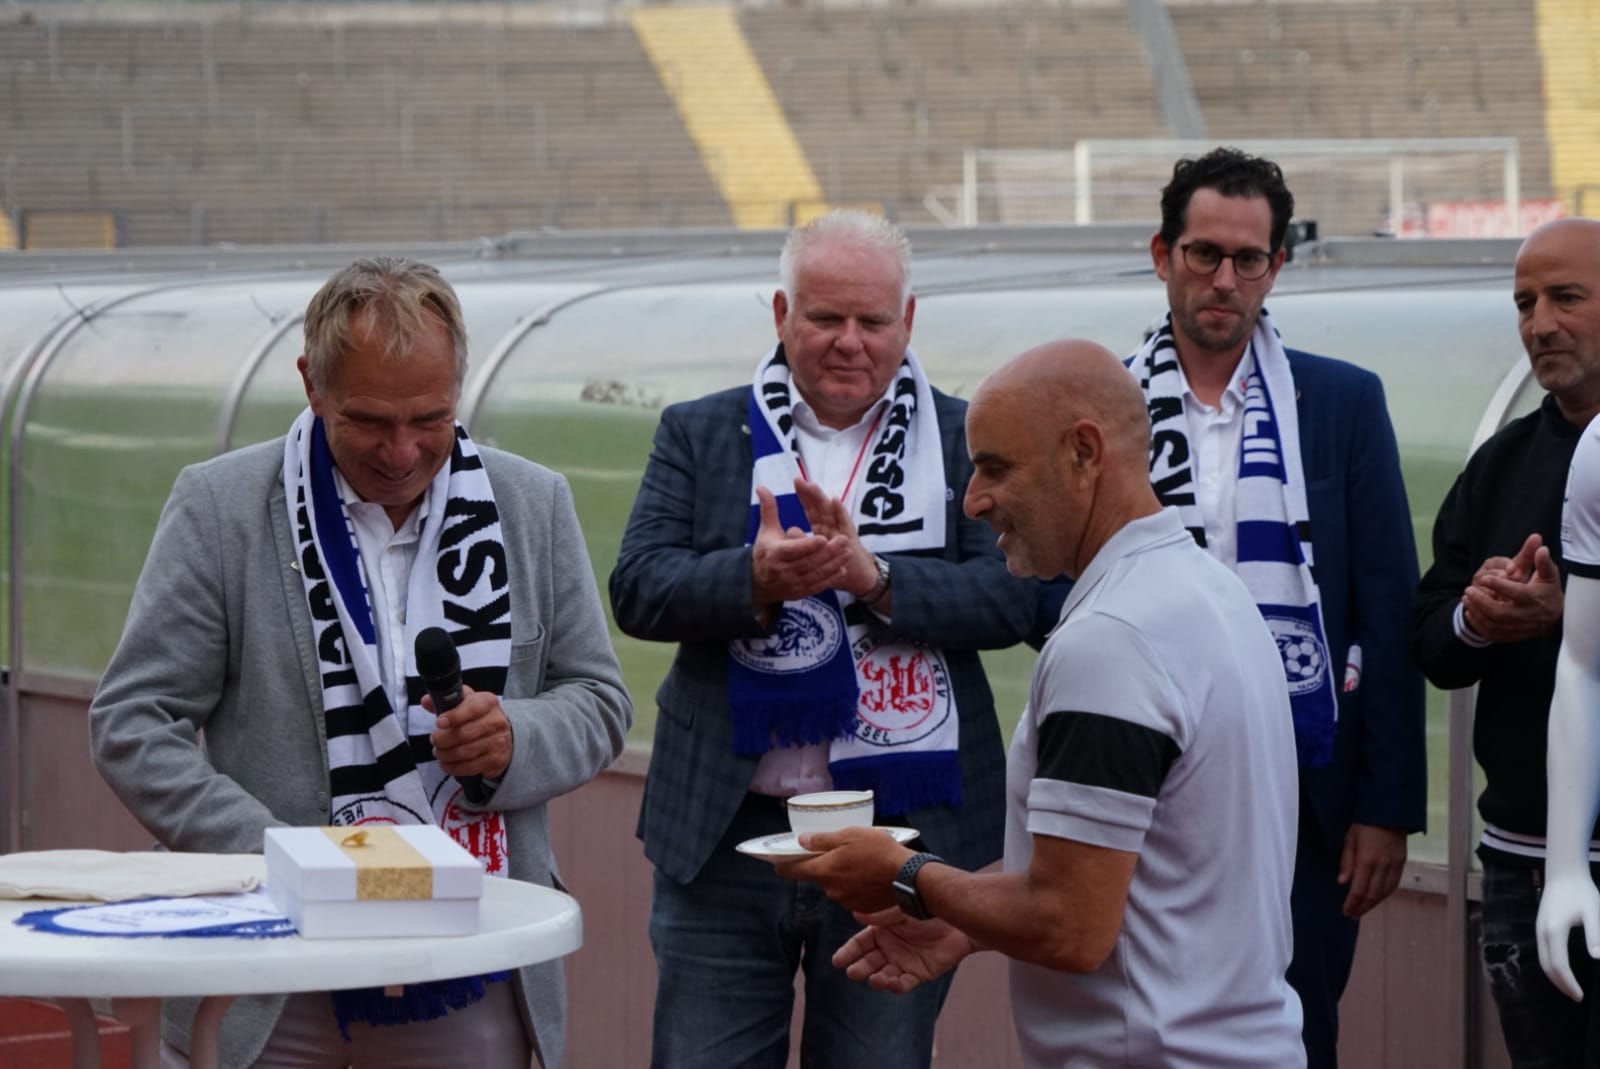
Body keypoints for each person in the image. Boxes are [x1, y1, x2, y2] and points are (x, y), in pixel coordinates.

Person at [88, 257, 632, 1069]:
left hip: (470, 956)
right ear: (312, 384)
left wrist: (514, 738)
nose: (402, 451)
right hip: (265, 969)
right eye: (370, 421)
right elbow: (132, 720)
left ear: (458, 389)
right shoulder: (221, 507)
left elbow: (599, 699)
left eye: (430, 418)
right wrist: (274, 853)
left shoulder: (533, 503)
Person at [778, 339, 1305, 1067]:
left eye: (996, 467)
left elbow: (1069, 925)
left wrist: (906, 874)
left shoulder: (1113, 638)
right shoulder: (1211, 593)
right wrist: (965, 918)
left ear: (1084, 452)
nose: (973, 499)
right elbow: (1135, 869)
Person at [609, 209, 1048, 1067]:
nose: (851, 341)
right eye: (826, 317)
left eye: (872, 320)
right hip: (727, 835)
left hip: (903, 840)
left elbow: (1016, 599)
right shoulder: (701, 430)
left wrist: (875, 578)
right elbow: (638, 586)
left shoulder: (966, 436)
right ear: (782, 314)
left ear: (907, 321)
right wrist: (754, 579)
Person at [1126, 146, 1426, 1068]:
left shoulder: (1342, 402)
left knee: (1294, 1032)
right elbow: (1053, 589)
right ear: (1163, 255)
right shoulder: (1106, 401)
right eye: (1204, 253)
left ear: (1277, 265)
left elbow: (1387, 605)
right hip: (1141, 784)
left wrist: (1386, 807)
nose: (1225, 279)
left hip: (1306, 798)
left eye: (1248, 258)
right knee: (1144, 1028)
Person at [1417, 216, 1600, 1065]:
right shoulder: (1501, 461)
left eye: (1567, 298)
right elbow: (1429, 636)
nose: (1540, 324)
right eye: (1525, 303)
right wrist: (1477, 619)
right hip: (1520, 862)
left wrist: (1571, 617)